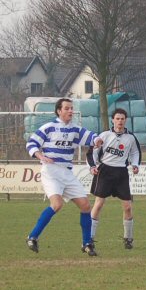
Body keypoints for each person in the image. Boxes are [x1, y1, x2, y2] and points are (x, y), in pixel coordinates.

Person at [25, 98, 102, 256]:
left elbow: (90, 136)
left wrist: (97, 139)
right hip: (51, 171)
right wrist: (41, 156)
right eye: (67, 108)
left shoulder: (75, 129)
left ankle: (87, 243)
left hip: (67, 172)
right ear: (59, 111)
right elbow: (31, 143)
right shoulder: (49, 127)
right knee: (57, 204)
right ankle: (32, 237)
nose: (70, 111)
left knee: (86, 206)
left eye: (71, 108)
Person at [87, 108, 141, 249]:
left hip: (121, 173)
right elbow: (92, 151)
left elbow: (135, 152)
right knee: (98, 205)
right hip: (105, 171)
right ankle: (90, 238)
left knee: (128, 207)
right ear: (113, 120)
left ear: (125, 120)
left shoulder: (130, 138)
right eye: (117, 118)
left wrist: (135, 164)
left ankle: (128, 238)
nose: (120, 121)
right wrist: (93, 166)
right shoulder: (104, 135)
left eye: (122, 119)